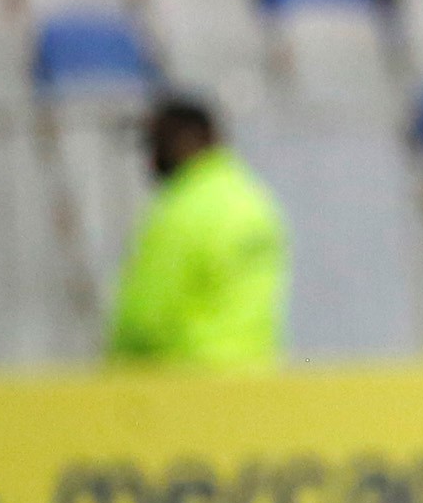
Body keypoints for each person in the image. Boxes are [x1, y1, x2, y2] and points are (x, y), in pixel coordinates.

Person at [106, 99, 288, 370]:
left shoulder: (181, 210)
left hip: (185, 383)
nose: (151, 160)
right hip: (255, 379)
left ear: (188, 140)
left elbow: (144, 318)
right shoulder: (254, 200)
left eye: (157, 144)